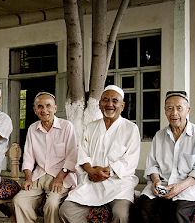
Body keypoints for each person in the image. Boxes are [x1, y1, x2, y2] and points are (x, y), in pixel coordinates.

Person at [59, 85, 141, 223]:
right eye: (105, 100)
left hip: (119, 184)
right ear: (99, 104)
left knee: (121, 215)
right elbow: (83, 153)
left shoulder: (131, 129)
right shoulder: (90, 127)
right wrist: (91, 170)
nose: (110, 104)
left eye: (115, 101)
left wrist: (106, 172)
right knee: (66, 211)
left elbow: (130, 160)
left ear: (123, 105)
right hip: (91, 183)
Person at [138, 91, 195, 223]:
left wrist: (179, 187)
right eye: (169, 108)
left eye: (179, 108)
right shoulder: (159, 136)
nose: (174, 113)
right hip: (163, 185)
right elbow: (152, 165)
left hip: (189, 187)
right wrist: (156, 181)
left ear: (187, 110)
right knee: (144, 206)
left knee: (177, 211)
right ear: (165, 111)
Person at [13, 92, 77, 223]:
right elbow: (29, 157)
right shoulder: (32, 129)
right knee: (19, 201)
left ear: (55, 108)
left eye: (48, 106)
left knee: (52, 204)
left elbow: (72, 156)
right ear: (35, 110)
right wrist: (28, 178)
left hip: (61, 175)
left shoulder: (66, 126)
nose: (44, 110)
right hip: (39, 174)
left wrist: (59, 178)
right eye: (40, 106)